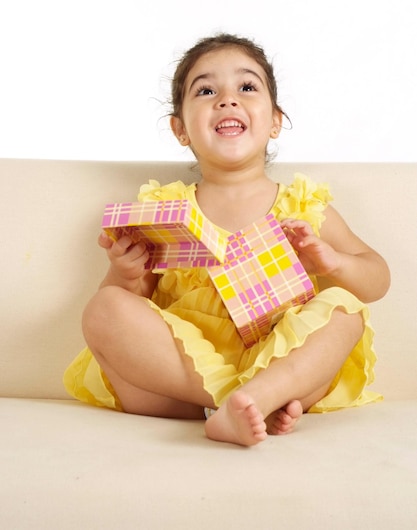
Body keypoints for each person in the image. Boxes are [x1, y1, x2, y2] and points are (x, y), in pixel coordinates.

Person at [64, 33, 390, 446]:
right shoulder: (164, 211)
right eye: (205, 90)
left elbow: (378, 279)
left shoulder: (303, 209)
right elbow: (127, 309)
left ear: (275, 120)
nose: (227, 100)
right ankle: (245, 402)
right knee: (104, 308)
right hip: (177, 387)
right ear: (180, 129)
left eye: (247, 87)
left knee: (346, 309)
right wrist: (124, 273)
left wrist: (333, 263)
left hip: (285, 370)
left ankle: (252, 398)